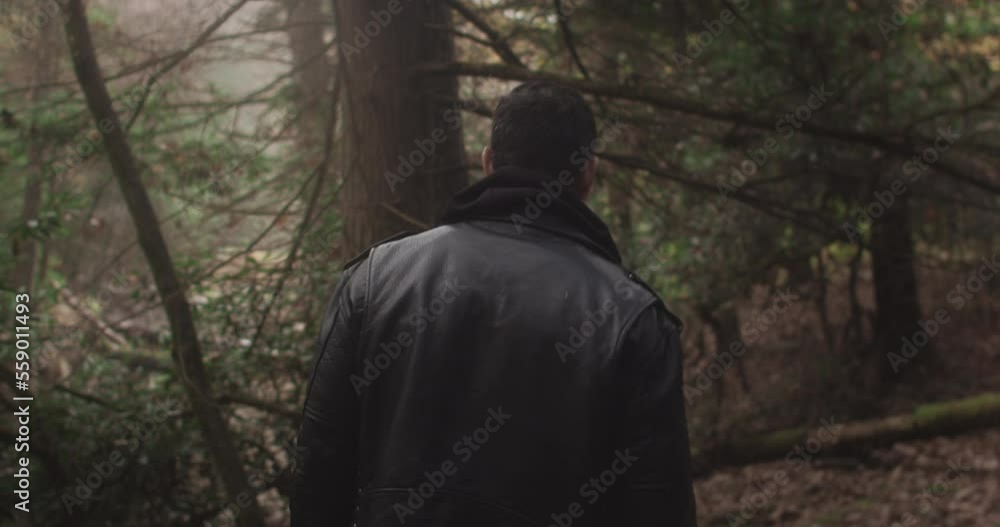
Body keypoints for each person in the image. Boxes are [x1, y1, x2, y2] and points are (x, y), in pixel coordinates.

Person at [291, 81, 696, 526]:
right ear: (588, 175)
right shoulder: (632, 317)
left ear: (488, 162)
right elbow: (660, 505)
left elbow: (318, 469)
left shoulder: (376, 278)